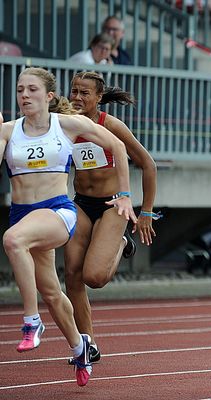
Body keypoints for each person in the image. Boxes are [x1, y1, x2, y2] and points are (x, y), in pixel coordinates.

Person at [0, 67, 136, 385]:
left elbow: (118, 147)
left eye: (31, 89)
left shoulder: (69, 124)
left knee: (12, 241)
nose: (24, 95)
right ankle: (80, 348)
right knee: (52, 292)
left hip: (57, 212)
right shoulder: (9, 131)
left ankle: (32, 322)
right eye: (20, 89)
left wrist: (127, 196)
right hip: (23, 214)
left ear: (48, 96)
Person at [64, 71, 158, 363]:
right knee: (72, 276)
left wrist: (146, 213)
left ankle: (121, 243)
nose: (78, 98)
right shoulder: (64, 122)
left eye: (85, 93)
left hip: (114, 205)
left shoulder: (111, 125)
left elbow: (148, 164)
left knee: (95, 277)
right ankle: (87, 343)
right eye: (74, 91)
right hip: (81, 203)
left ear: (98, 98)